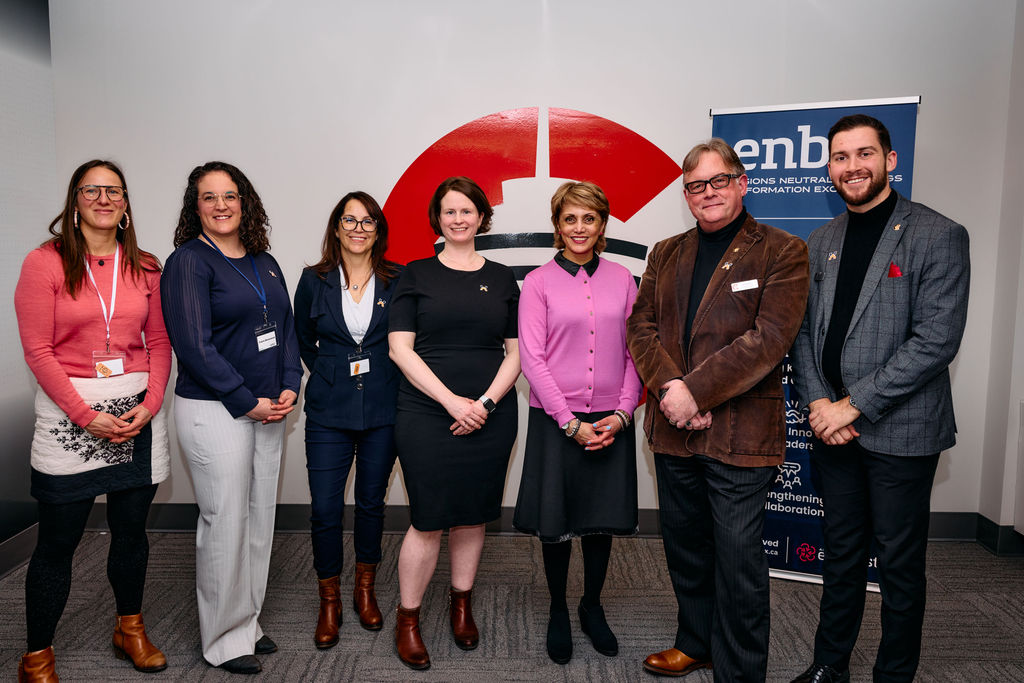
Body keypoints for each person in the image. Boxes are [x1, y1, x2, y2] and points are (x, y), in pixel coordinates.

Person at [789, 115, 970, 683]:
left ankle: (893, 676)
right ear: (829, 169)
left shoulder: (938, 233)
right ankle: (828, 666)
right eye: (840, 157)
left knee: (898, 565)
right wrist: (822, 406)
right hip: (832, 432)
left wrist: (853, 404)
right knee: (839, 555)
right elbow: (804, 332)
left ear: (891, 160)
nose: (852, 167)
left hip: (902, 432)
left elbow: (936, 339)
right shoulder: (822, 241)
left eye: (864, 153)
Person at [626, 139, 810, 681]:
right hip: (672, 430)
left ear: (742, 182)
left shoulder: (782, 250)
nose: (707, 194)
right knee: (685, 548)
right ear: (686, 195)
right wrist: (670, 392)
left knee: (739, 563)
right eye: (695, 186)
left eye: (718, 181)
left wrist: (693, 393)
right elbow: (640, 328)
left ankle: (741, 671)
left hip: (740, 434)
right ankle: (695, 642)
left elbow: (770, 338)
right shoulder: (665, 251)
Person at [14, 159, 172, 681]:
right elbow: (38, 351)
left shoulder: (146, 266)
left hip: (135, 414)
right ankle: (37, 654)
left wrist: (148, 407)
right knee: (60, 540)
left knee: (130, 532)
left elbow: (160, 343)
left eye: (115, 191)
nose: (104, 199)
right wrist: (86, 416)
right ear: (75, 200)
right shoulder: (45, 263)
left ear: (126, 204)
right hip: (71, 415)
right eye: (92, 190)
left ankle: (129, 628)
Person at [161, 161, 302, 675]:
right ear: (194, 206)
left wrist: (290, 383)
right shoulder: (188, 263)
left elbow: (284, 329)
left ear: (245, 202)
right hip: (215, 410)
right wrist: (247, 400)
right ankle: (222, 639)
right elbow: (194, 348)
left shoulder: (264, 261)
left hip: (269, 408)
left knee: (260, 519)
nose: (221, 205)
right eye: (208, 197)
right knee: (225, 523)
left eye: (230, 195)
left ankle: (247, 621)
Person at [387, 176, 520, 671]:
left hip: (492, 412)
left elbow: (517, 353)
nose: (459, 219)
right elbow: (400, 347)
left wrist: (483, 403)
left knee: (473, 512)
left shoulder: (505, 277)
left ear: (482, 218)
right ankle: (409, 617)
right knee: (428, 518)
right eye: (449, 212)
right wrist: (451, 402)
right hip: (425, 411)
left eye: (467, 211)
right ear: (437, 220)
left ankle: (460, 604)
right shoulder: (415, 274)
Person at [513, 181, 642, 665]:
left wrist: (623, 413)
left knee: (600, 521)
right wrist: (569, 422)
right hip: (558, 422)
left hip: (611, 421)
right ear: (557, 226)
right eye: (570, 218)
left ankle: (592, 605)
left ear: (603, 224)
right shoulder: (539, 283)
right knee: (558, 522)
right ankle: (559, 609)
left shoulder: (624, 280)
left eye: (589, 218)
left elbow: (636, 354)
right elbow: (533, 359)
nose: (580, 227)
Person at [293, 191, 402, 648]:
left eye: (368, 221)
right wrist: (331, 373)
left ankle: (364, 590)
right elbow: (302, 339)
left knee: (372, 505)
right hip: (328, 410)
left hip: (384, 407)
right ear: (336, 228)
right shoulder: (313, 279)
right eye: (349, 220)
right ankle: (330, 600)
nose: (358, 229)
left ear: (378, 231)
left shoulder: (398, 279)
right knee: (324, 509)